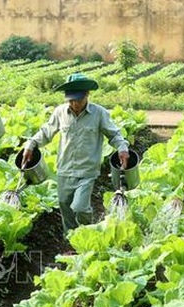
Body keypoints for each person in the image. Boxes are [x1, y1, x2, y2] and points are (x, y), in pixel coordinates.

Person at [22, 73, 130, 233]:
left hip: (87, 171)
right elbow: (46, 132)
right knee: (65, 207)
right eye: (71, 100)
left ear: (87, 95)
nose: (74, 104)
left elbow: (114, 134)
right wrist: (31, 144)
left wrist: (122, 148)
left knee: (80, 208)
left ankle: (87, 233)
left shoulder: (99, 113)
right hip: (64, 169)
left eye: (78, 100)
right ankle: (71, 242)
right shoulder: (60, 112)